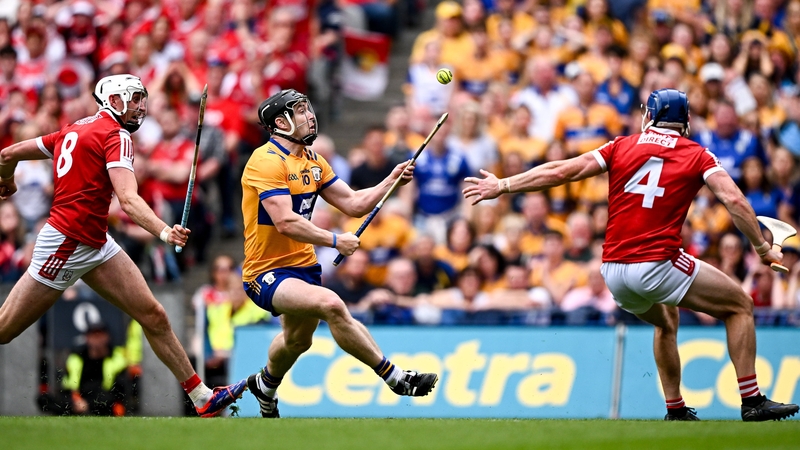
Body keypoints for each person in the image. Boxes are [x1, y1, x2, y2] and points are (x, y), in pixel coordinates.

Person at [463, 88, 799, 422]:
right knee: (740, 305)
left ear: (649, 116)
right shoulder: (698, 154)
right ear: (686, 121)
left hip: (613, 272)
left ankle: (675, 409)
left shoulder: (621, 145)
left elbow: (562, 171)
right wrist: (762, 247)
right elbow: (735, 201)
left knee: (666, 320)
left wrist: (504, 185)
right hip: (657, 264)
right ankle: (752, 401)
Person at [0, 74, 246, 417]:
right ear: (112, 101)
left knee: (154, 315)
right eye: (133, 99)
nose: (140, 106)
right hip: (66, 245)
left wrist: (7, 178)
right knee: (4, 329)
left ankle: (202, 396)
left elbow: (7, 152)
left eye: (142, 98)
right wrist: (164, 232)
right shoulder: (116, 135)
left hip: (96, 243)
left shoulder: (73, 128)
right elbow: (128, 200)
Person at [241, 89, 438, 418]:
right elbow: (286, 222)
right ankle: (395, 377)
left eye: (307, 108)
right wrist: (335, 240)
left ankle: (265, 385)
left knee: (297, 341)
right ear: (280, 122)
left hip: (303, 267)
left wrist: (390, 181)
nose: (309, 115)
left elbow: (354, 203)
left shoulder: (313, 161)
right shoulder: (265, 161)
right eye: (299, 111)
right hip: (265, 272)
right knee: (331, 304)